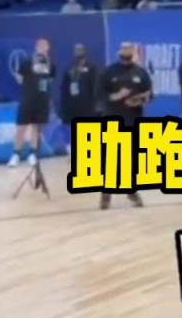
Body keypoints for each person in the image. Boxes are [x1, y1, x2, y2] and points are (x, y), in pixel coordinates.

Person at [98, 42, 151, 209]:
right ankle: (106, 194)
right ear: (119, 51)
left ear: (133, 52)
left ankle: (131, 191)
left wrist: (138, 100)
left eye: (129, 49)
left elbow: (149, 95)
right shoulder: (109, 72)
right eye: (123, 49)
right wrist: (116, 96)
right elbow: (99, 94)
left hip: (133, 118)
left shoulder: (141, 73)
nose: (126, 51)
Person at [9, 38, 56, 167]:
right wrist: (27, 84)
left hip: (41, 100)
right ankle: (16, 154)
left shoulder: (51, 63)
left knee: (37, 127)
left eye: (44, 46)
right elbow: (19, 76)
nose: (42, 48)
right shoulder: (27, 61)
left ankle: (32, 154)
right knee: (21, 127)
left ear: (48, 48)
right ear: (36, 47)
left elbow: (51, 79)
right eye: (40, 46)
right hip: (27, 99)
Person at [60, 44, 100, 152]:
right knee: (71, 126)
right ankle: (72, 148)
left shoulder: (91, 68)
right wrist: (64, 104)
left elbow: (96, 86)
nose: (79, 52)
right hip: (72, 104)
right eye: (77, 50)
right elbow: (64, 87)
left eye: (81, 50)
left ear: (85, 51)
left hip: (87, 104)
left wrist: (96, 103)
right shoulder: (69, 68)